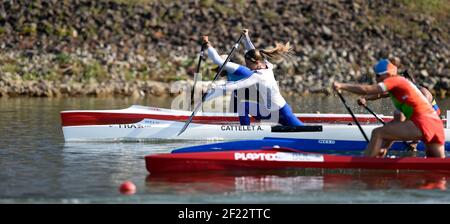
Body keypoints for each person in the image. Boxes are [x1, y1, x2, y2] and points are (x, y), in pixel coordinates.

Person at [333, 59, 445, 158]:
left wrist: (342, 86)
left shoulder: (396, 80)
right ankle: (380, 155)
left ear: (386, 74)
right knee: (438, 167)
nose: (376, 79)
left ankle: (365, 166)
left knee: (378, 133)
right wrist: (385, 146)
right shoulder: (399, 87)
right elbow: (378, 94)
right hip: (436, 127)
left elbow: (367, 89)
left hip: (423, 124)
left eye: (377, 76)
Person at [202, 30, 304, 126]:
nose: (247, 66)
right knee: (243, 106)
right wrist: (246, 38)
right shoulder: (267, 65)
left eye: (248, 64)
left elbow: (237, 85)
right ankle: (246, 131)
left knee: (303, 131)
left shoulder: (258, 76)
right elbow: (253, 51)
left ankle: (248, 133)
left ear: (256, 62)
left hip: (282, 112)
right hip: (270, 112)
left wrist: (217, 87)